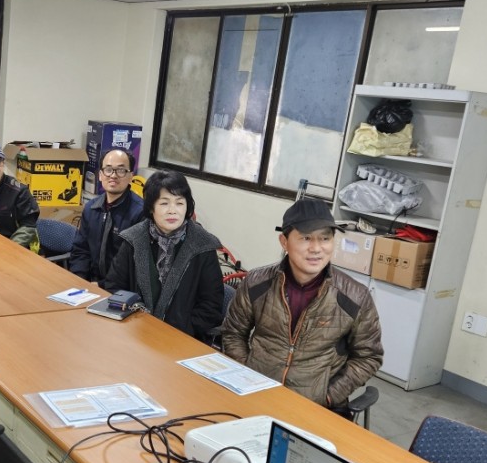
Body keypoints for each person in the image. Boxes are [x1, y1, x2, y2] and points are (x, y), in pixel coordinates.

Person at [221, 197, 383, 416]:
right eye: (306, 238)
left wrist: (328, 396)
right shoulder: (257, 283)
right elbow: (233, 333)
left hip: (316, 408)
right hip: (257, 395)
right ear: (284, 242)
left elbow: (369, 356)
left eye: (325, 238)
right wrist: (248, 375)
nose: (316, 249)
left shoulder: (355, 296)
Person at [105, 170, 223, 341]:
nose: (172, 211)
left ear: (188, 207)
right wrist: (135, 321)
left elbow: (211, 307)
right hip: (133, 332)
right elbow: (114, 287)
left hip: (182, 339)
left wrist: (180, 330)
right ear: (151, 207)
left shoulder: (203, 246)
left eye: (179, 203)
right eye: (164, 203)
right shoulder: (133, 239)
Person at [68, 147, 144, 284]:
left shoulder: (140, 213)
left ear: (130, 176)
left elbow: (135, 265)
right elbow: (80, 250)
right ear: (100, 175)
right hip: (89, 284)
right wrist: (79, 280)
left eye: (121, 170)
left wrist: (102, 286)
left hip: (120, 289)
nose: (113, 175)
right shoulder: (91, 208)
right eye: (108, 169)